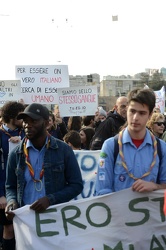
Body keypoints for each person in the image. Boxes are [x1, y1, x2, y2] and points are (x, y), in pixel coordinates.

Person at [5, 103, 83, 249]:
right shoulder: (15, 154)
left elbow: (76, 185)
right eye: (25, 121)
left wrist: (50, 199)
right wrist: (12, 202)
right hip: (27, 225)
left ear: (47, 123)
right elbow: (10, 186)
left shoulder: (63, 150)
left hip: (55, 222)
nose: (28, 125)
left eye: (33, 121)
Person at [95, 88, 166, 196]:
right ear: (127, 109)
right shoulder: (110, 146)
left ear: (150, 115)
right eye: (132, 111)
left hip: (151, 212)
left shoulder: (162, 148)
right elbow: (102, 191)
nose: (135, 118)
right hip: (117, 212)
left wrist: (155, 186)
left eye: (142, 113)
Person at [0, 101, 25, 250]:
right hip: (6, 192)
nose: (24, 119)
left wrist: (21, 142)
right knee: (8, 229)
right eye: (21, 116)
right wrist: (1, 194)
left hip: (24, 190)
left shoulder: (26, 133)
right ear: (12, 117)